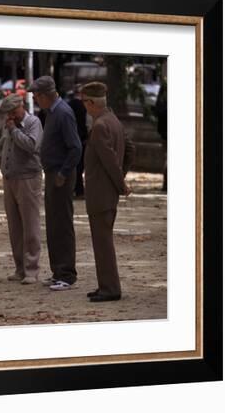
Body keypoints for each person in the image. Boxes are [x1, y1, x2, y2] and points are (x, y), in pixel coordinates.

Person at [80, 82, 135, 302]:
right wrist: (121, 177)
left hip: (101, 194)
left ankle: (110, 289)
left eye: (84, 102)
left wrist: (121, 184)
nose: (83, 106)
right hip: (106, 193)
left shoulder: (101, 125)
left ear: (92, 102)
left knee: (103, 244)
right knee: (102, 242)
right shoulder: (113, 121)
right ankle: (105, 285)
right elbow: (130, 150)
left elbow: (110, 161)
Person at [29, 76, 82, 291]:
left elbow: (76, 147)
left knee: (62, 225)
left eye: (36, 96)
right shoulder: (51, 113)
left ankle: (67, 274)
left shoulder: (63, 113)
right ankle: (57, 271)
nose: (35, 100)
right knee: (53, 224)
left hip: (61, 175)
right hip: (52, 173)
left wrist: (63, 172)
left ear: (44, 95)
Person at [0, 94, 43, 284]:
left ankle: (32, 269)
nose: (11, 116)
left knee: (30, 224)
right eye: (8, 113)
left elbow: (31, 145)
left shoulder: (33, 123)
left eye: (14, 112)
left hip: (28, 179)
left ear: (21, 106)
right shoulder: (9, 124)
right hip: (10, 178)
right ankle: (20, 268)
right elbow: (2, 145)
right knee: (14, 226)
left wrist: (14, 130)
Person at [68, 84, 88, 198]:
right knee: (79, 167)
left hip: (71, 138)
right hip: (81, 138)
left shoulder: (69, 105)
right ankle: (79, 190)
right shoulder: (84, 106)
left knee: (74, 166)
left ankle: (74, 189)